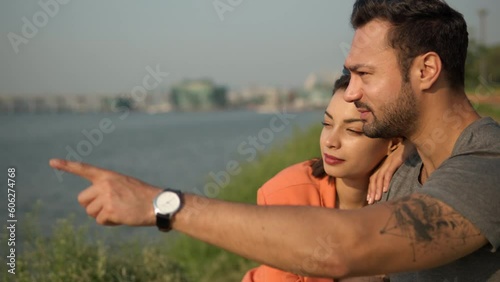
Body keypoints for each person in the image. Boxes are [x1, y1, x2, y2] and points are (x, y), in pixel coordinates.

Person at [49, 0, 500, 280]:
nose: (353, 90)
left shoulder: (487, 166)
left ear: (426, 71)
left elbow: (344, 249)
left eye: (365, 74)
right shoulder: (406, 164)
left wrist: (162, 205)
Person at [242, 74, 401, 282]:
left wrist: (409, 149)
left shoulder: (408, 186)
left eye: (352, 130)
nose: (330, 142)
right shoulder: (288, 195)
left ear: (393, 143)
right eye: (327, 124)